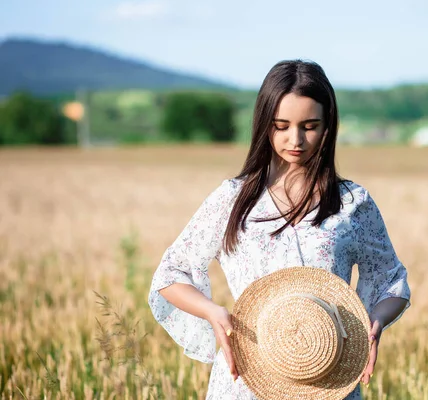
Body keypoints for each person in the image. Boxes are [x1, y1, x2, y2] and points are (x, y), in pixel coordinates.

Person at [148, 59, 411, 399]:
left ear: (328, 126)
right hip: (244, 382)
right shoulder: (232, 198)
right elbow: (171, 273)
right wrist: (213, 312)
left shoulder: (352, 203)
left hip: (328, 380)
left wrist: (373, 325)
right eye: (281, 125)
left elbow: (392, 279)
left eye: (310, 125)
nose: (295, 139)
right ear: (263, 125)